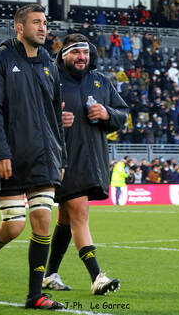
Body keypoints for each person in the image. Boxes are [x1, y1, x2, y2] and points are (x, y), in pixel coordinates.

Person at [0, 4, 66, 310]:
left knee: (42, 219)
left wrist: (60, 157)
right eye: (36, 22)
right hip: (10, 155)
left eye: (45, 23)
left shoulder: (49, 64)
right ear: (19, 28)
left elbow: (54, 115)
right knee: (13, 226)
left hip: (43, 156)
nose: (43, 28)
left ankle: (35, 295)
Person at [43, 33, 128, 294]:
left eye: (86, 53)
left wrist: (107, 113)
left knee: (66, 219)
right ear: (64, 55)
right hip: (62, 160)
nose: (82, 57)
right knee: (79, 214)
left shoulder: (101, 81)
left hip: (93, 160)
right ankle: (97, 277)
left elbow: (122, 115)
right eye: (76, 53)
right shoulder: (51, 80)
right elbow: (32, 116)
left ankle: (49, 276)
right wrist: (55, 118)